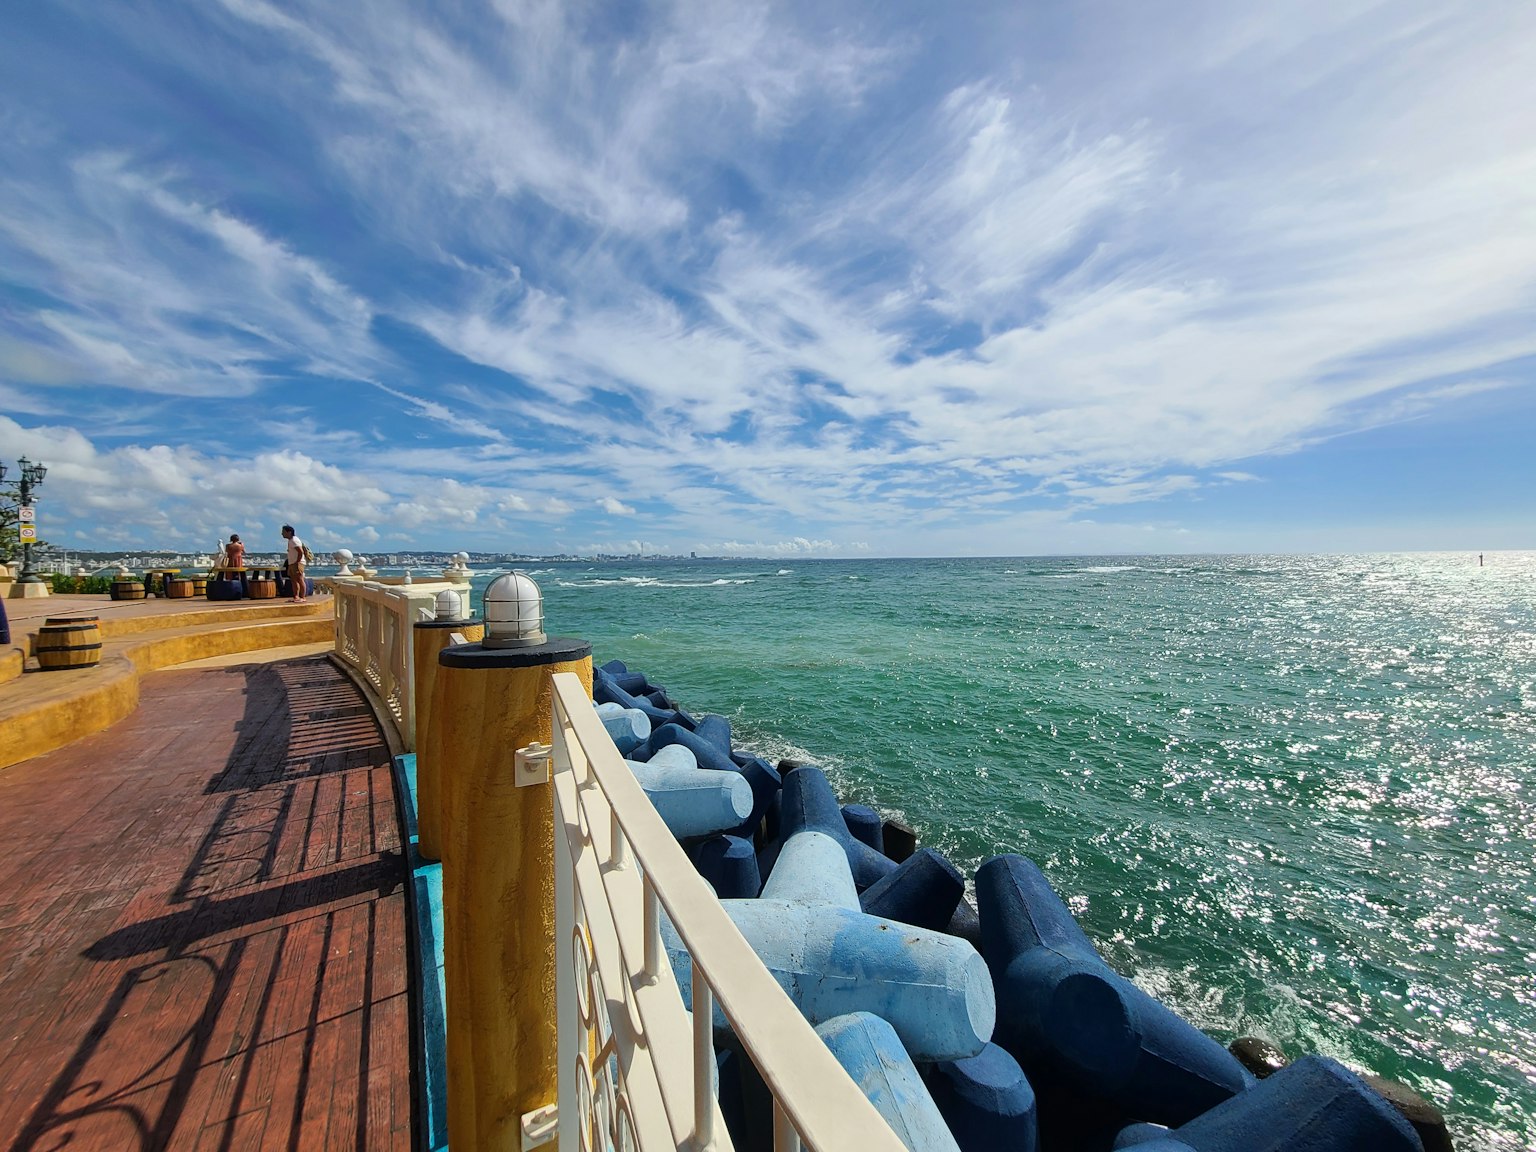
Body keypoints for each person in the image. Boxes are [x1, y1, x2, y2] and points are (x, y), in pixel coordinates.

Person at [282, 524, 308, 603]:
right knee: (293, 580)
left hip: (297, 563)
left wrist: (297, 562)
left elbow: (300, 551)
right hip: (292, 563)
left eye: (283, 532)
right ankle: (296, 596)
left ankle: (302, 597)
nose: (282, 534)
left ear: (289, 532)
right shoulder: (291, 541)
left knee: (300, 579)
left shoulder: (294, 540)